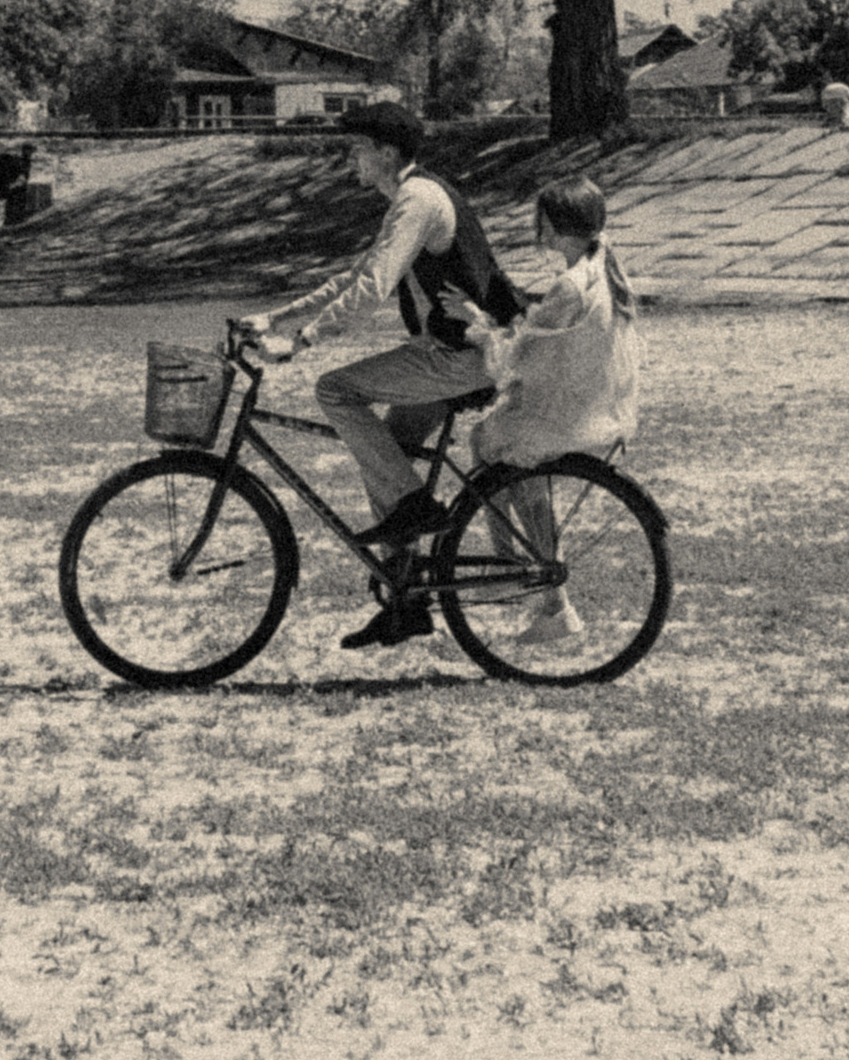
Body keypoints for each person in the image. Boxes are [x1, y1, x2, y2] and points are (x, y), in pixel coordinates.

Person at [237, 102, 523, 652]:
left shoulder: (418, 200)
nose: (352, 158)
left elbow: (371, 289)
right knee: (384, 451)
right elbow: (356, 276)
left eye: (359, 148)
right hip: (453, 350)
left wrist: (302, 341)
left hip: (462, 355)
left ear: (387, 153)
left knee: (335, 390)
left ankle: (416, 508)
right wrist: (275, 318)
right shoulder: (408, 198)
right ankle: (405, 603)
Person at [466, 177, 643, 651]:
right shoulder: (601, 269)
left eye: (543, 222)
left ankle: (507, 566)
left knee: (484, 441)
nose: (538, 230)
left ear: (559, 226)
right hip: (594, 410)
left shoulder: (569, 285)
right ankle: (553, 604)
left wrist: (480, 332)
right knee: (519, 472)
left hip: (564, 417)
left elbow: (517, 358)